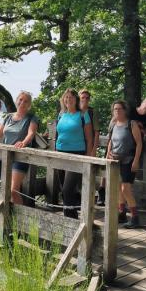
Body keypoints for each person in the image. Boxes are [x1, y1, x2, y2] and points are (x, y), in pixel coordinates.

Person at [0, 91, 39, 205]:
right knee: (6, 189)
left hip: (21, 157)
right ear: (16, 100)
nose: (22, 103)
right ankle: (10, 215)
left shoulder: (32, 118)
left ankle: (20, 216)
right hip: (6, 157)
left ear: (29, 104)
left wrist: (23, 142)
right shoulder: (8, 117)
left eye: (26, 101)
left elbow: (31, 133)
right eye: (20, 99)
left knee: (13, 190)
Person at [56, 89, 94, 218]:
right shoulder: (61, 114)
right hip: (60, 153)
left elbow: (89, 138)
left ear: (76, 99)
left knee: (68, 189)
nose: (69, 99)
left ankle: (71, 219)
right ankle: (69, 216)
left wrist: (88, 157)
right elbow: (58, 134)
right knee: (63, 189)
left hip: (77, 154)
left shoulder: (83, 115)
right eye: (66, 97)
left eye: (71, 97)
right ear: (63, 100)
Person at [106, 100, 143, 228]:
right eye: (115, 109)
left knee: (125, 189)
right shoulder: (113, 124)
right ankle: (122, 214)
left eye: (119, 109)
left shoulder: (131, 124)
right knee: (118, 187)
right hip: (115, 160)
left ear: (125, 110)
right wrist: (108, 154)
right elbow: (110, 141)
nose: (117, 111)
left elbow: (139, 143)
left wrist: (136, 160)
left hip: (129, 160)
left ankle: (135, 218)